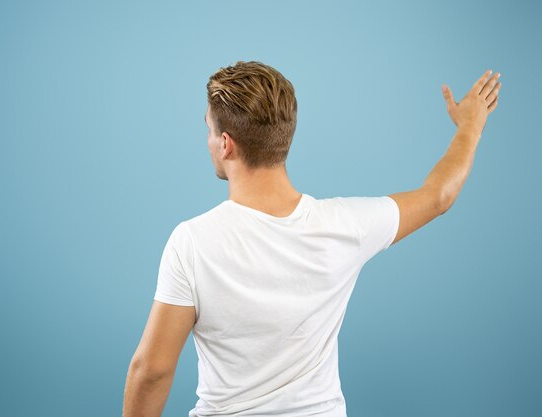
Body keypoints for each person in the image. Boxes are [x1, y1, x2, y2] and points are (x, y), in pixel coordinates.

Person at [122, 61, 502, 417]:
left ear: (226, 144)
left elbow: (151, 371)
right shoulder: (345, 225)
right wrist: (470, 125)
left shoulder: (192, 242)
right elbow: (439, 196)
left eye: (208, 130)